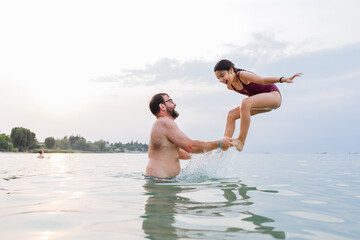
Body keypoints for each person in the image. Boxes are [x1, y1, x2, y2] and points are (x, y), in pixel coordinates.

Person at [214, 59, 302, 151]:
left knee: (245, 102)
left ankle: (241, 141)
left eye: (222, 75)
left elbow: (263, 80)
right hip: (262, 103)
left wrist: (283, 79)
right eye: (218, 78)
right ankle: (223, 145)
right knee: (231, 114)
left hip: (273, 96)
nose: (221, 80)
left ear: (231, 70)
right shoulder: (230, 86)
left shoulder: (242, 75)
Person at [146, 93, 232, 179]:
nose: (175, 104)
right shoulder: (165, 122)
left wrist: (211, 152)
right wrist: (219, 143)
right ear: (162, 106)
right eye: (170, 101)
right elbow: (191, 147)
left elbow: (180, 153)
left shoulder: (160, 124)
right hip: (161, 185)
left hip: (161, 182)